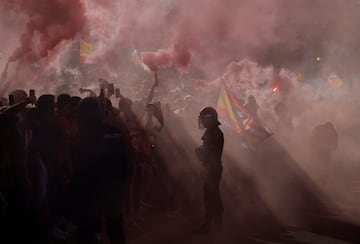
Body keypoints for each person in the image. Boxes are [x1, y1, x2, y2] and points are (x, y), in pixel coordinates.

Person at [194, 107, 224, 233]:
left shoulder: (214, 133)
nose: (202, 122)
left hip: (212, 167)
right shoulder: (213, 132)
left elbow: (210, 152)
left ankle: (210, 224)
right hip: (212, 166)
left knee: (210, 196)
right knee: (213, 194)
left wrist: (199, 152)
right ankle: (216, 223)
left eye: (204, 119)